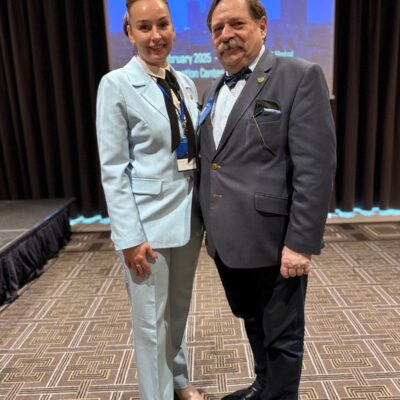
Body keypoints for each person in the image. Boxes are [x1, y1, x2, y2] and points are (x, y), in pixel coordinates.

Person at [198, 0, 337, 399]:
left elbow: (315, 168)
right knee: (253, 321)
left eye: (236, 24)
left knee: (283, 336)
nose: (226, 35)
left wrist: (300, 243)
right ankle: (263, 385)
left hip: (276, 242)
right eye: (218, 29)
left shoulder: (299, 76)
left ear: (262, 26)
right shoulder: (212, 90)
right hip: (228, 241)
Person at [96, 1, 204, 399]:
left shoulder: (184, 82)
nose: (155, 35)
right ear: (130, 33)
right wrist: (128, 237)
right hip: (146, 226)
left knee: (177, 311)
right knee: (150, 323)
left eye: (163, 24)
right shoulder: (116, 85)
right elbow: (113, 170)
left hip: (188, 220)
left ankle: (178, 379)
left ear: (174, 28)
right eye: (144, 27)